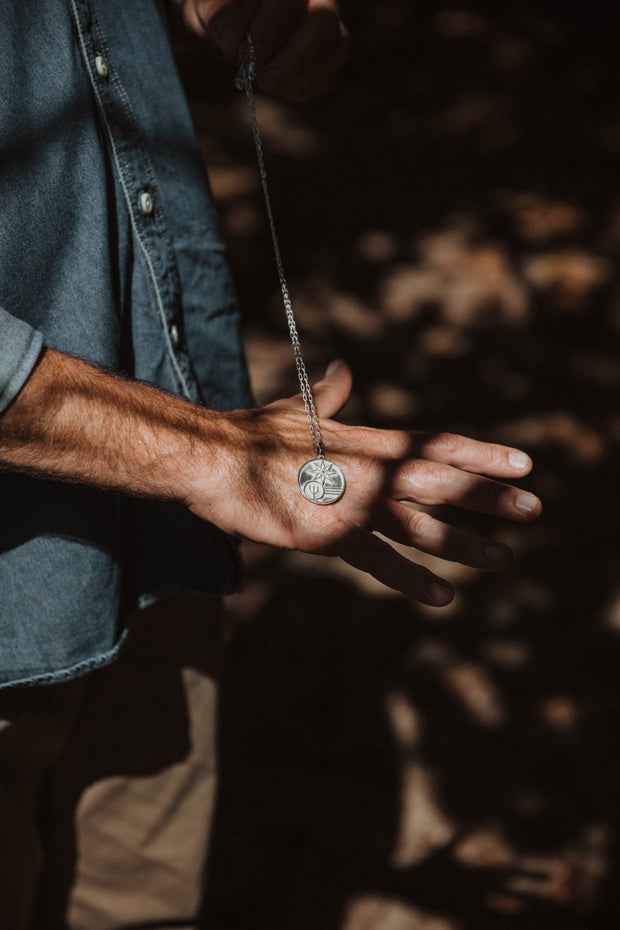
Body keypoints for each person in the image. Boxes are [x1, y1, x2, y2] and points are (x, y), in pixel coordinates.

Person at [0, 1, 541, 927]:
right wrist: (204, 454)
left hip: (163, 534)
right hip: (39, 570)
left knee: (141, 894)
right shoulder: (204, 462)